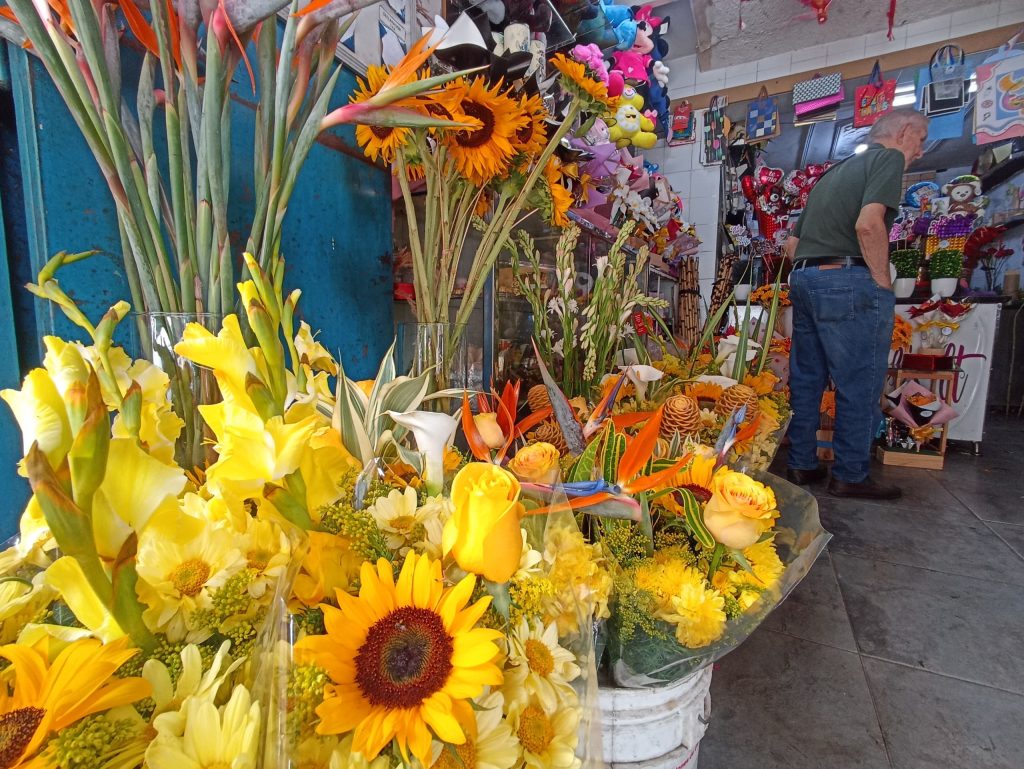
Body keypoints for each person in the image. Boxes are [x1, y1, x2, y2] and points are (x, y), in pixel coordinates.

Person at [783, 108, 928, 500]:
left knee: (807, 381)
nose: (920, 150)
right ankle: (849, 474)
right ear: (904, 132)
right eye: (921, 139)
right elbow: (868, 223)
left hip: (805, 280)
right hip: (848, 279)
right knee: (859, 383)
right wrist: (881, 282)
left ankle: (801, 463)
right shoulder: (889, 158)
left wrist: (817, 275)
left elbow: (791, 244)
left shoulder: (833, 174)